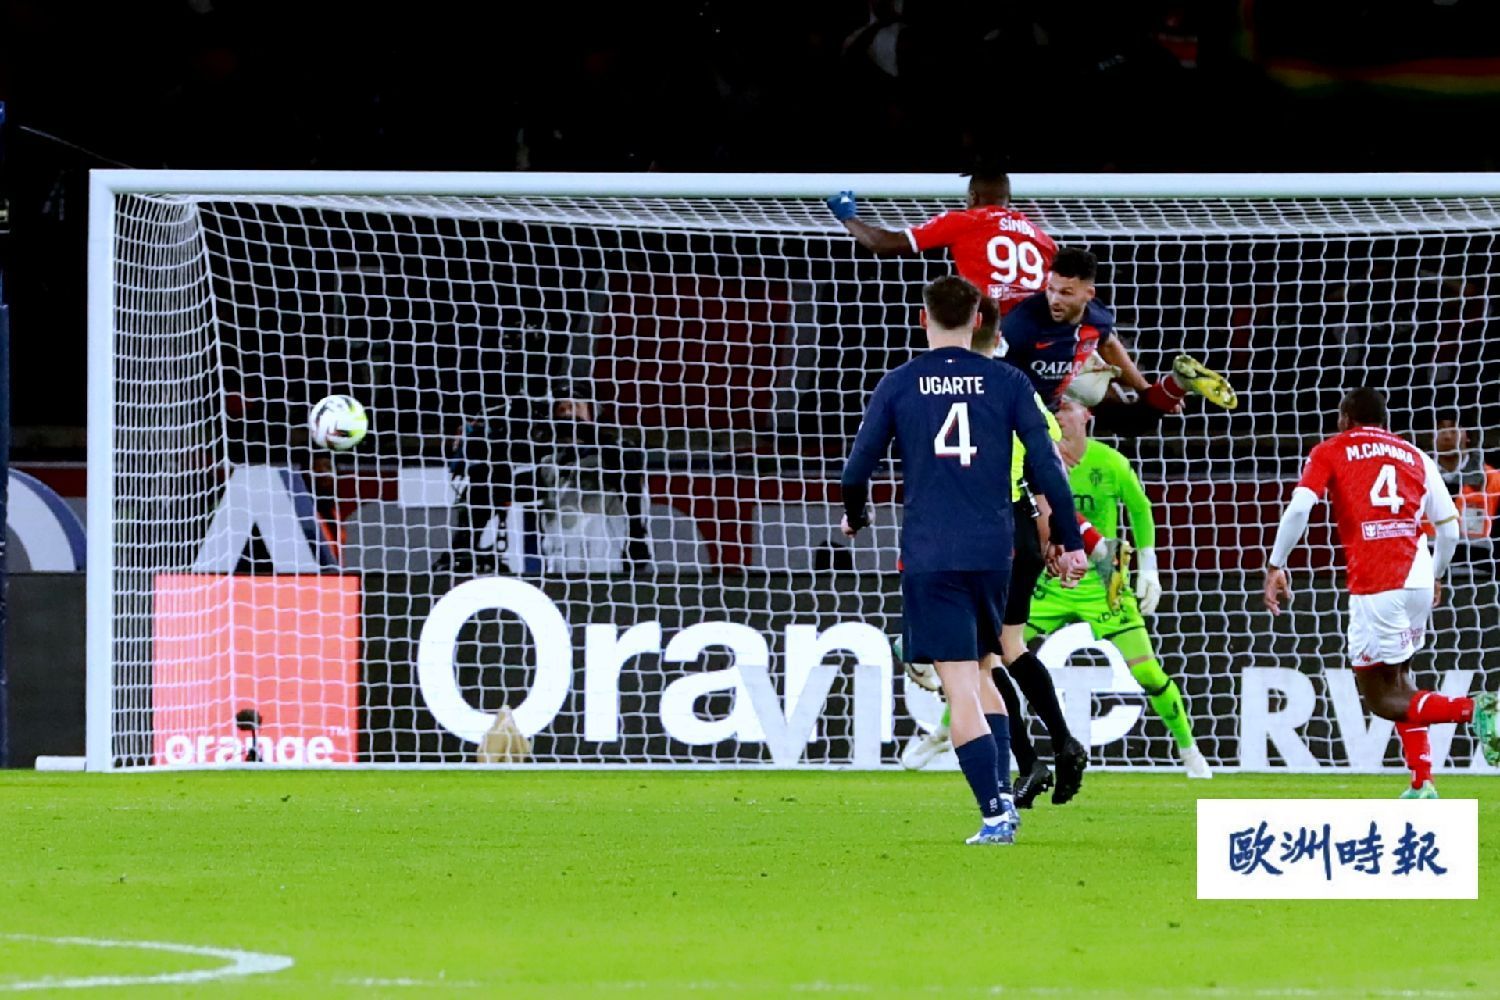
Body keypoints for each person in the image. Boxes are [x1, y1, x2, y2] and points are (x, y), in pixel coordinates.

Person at [842, 275, 1087, 845]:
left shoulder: (899, 383)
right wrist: (1070, 538)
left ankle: (995, 814)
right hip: (996, 551)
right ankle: (1006, 793)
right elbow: (1048, 466)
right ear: (979, 321)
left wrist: (856, 515)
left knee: (960, 688)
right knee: (983, 671)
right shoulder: (1009, 381)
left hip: (934, 553)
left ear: (922, 319)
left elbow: (856, 471)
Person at [897, 299, 1093, 807]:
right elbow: (1049, 468)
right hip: (1021, 526)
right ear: (995, 334)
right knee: (1010, 648)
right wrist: (1056, 533)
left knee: (984, 661)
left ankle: (1029, 763)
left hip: (981, 532)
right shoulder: (1014, 388)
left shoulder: (935, 389)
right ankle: (1056, 744)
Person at [1264, 388, 1500, 797]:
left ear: (1344, 418)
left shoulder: (1331, 450)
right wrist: (1436, 574)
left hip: (1377, 580)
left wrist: (1276, 564)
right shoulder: (1414, 454)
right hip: (1419, 574)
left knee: (1380, 697)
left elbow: (1300, 508)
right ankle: (1422, 782)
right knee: (1402, 679)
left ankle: (1474, 709)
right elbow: (1449, 529)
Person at [1000, 248, 1236, 435]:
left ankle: (1177, 384)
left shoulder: (1098, 318)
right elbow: (997, 370)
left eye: (1065, 293)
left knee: (1132, 424)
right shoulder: (1022, 325)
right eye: (1051, 290)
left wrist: (1144, 389)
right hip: (1029, 402)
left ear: (1089, 294)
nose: (1054, 300)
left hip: (1067, 382)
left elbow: (1109, 344)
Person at [827, 166, 1056, 316]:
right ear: (1009, 199)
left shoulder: (965, 221)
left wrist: (847, 216)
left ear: (972, 197)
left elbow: (882, 244)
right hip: (1039, 329)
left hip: (991, 326)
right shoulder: (1042, 237)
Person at [1434, 415, 1500, 542]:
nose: (1447, 436)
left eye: (1454, 428)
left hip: (1478, 554)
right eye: (1440, 428)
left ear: (1468, 435)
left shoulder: (1494, 480)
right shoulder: (1417, 478)